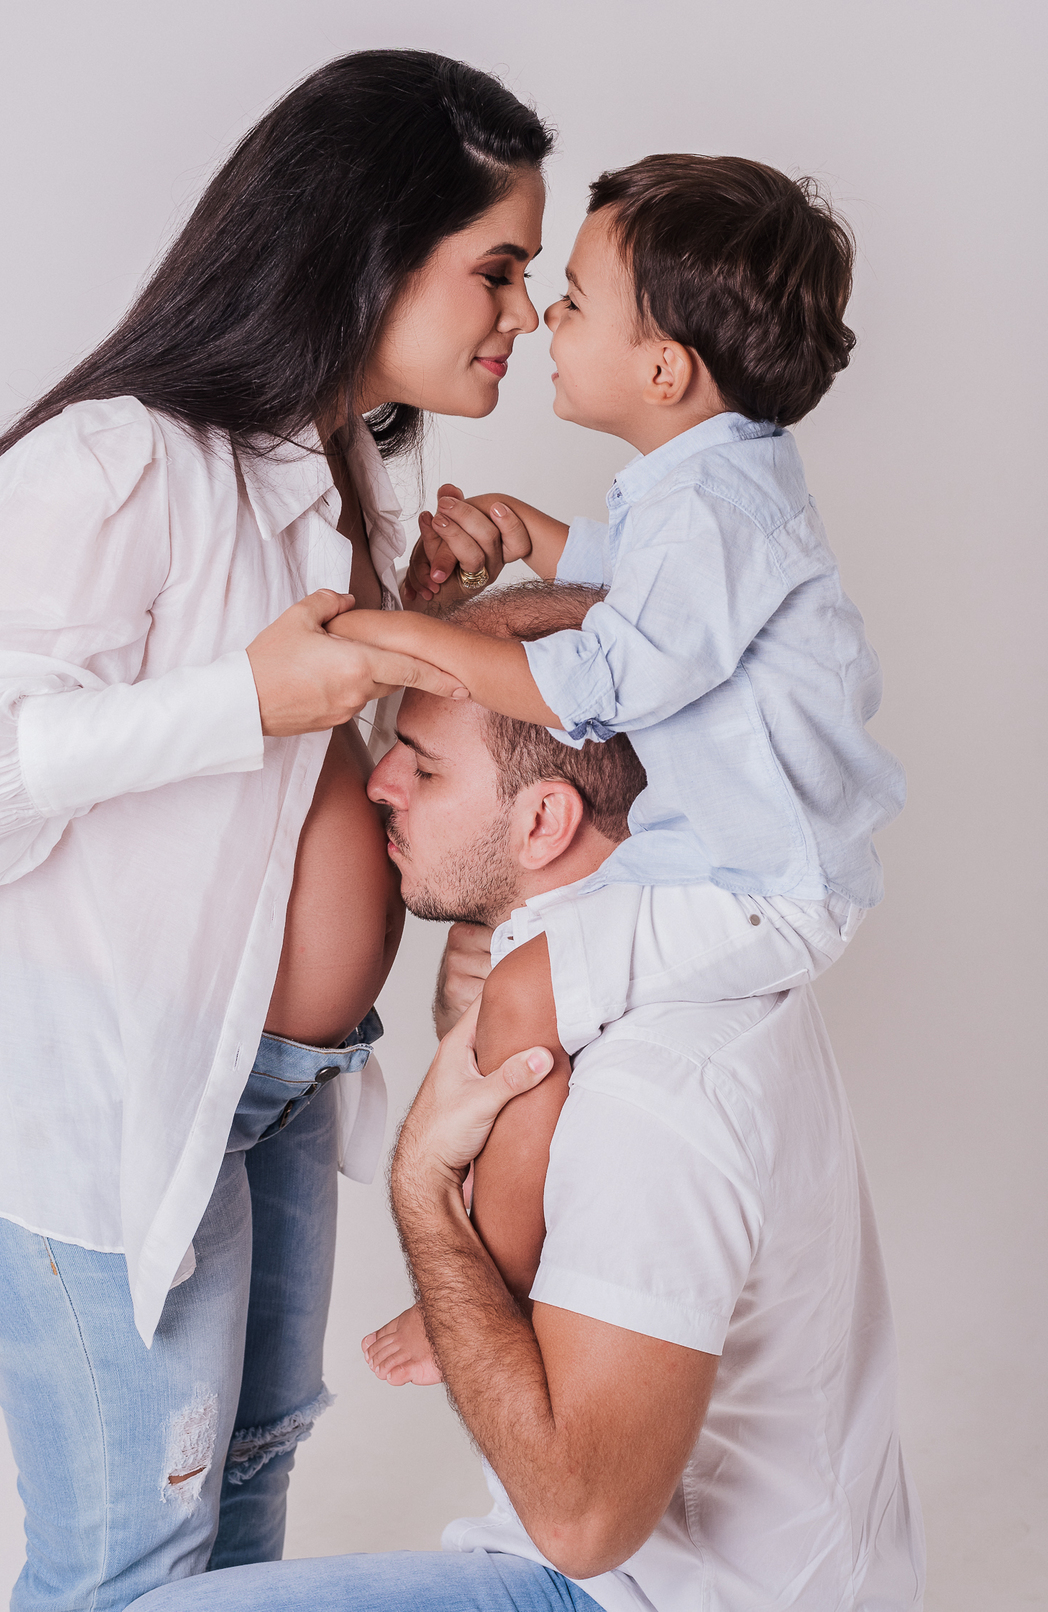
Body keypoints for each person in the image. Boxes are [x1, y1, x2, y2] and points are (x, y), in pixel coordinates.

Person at [0, 50, 552, 1610]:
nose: (525, 313)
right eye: (498, 269)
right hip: (80, 1081)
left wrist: (407, 628)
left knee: (236, 1542)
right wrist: (246, 696)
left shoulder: (342, 465)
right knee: (130, 1575)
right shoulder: (121, 461)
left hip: (265, 1083)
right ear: (374, 250)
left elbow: (277, 791)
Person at [131, 581, 924, 1612]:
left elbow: (581, 1524)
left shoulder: (652, 1093)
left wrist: (422, 1191)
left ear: (545, 818)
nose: (381, 784)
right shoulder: (626, 954)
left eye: (423, 765)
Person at [326, 154, 905, 1372]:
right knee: (504, 966)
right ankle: (520, 1240)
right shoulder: (709, 481)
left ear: (664, 370)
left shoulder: (711, 505)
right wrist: (531, 536)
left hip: (759, 881)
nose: (544, 317)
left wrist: (414, 641)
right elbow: (646, 583)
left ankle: (485, 1291)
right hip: (733, 862)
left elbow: (605, 681)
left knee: (523, 998)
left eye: (576, 301)